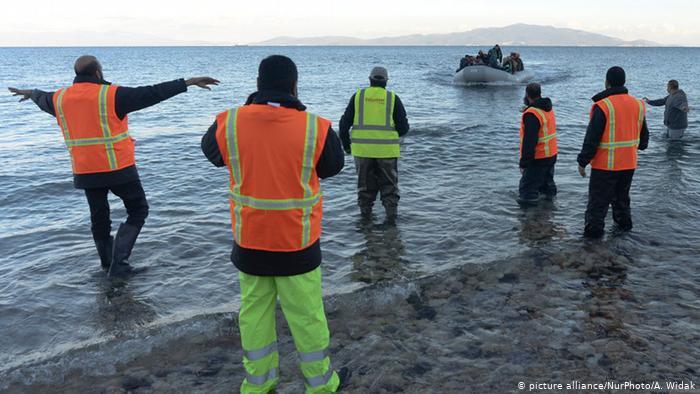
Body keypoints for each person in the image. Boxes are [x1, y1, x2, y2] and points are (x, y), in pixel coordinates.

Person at [200, 55, 349, 393]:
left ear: (257, 83)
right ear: (294, 85)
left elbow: (212, 154)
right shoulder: (315, 127)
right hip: (298, 244)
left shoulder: (231, 122)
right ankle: (321, 385)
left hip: (250, 242)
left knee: (254, 315)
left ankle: (259, 384)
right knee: (307, 316)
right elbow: (332, 168)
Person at [8, 56, 218, 276]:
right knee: (138, 210)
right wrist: (188, 82)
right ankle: (119, 265)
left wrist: (30, 93)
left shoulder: (60, 99)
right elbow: (152, 93)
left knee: (99, 218)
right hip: (118, 167)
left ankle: (107, 265)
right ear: (98, 73)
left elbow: (42, 98)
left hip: (85, 170)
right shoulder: (111, 95)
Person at [577, 66, 649, 239]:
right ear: (623, 82)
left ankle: (592, 245)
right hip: (628, 164)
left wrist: (582, 161)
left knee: (597, 206)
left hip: (605, 166)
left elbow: (592, 138)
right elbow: (644, 139)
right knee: (622, 202)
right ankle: (624, 238)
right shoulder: (638, 104)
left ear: (607, 82)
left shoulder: (603, 106)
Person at [339, 67, 410, 224]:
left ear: (370, 79)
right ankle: (391, 224)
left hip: (362, 152)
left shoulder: (358, 97)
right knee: (389, 190)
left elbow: (343, 125)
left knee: (365, 189)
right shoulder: (392, 98)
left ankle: (366, 224)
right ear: (386, 81)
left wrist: (347, 146)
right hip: (387, 153)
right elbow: (404, 128)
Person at [518, 83, 558, 206]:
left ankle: (529, 221)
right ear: (539, 94)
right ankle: (548, 214)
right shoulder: (547, 108)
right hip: (551, 155)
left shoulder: (531, 114)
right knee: (547, 188)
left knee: (527, 192)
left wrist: (524, 163)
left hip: (538, 158)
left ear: (527, 95)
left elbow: (530, 141)